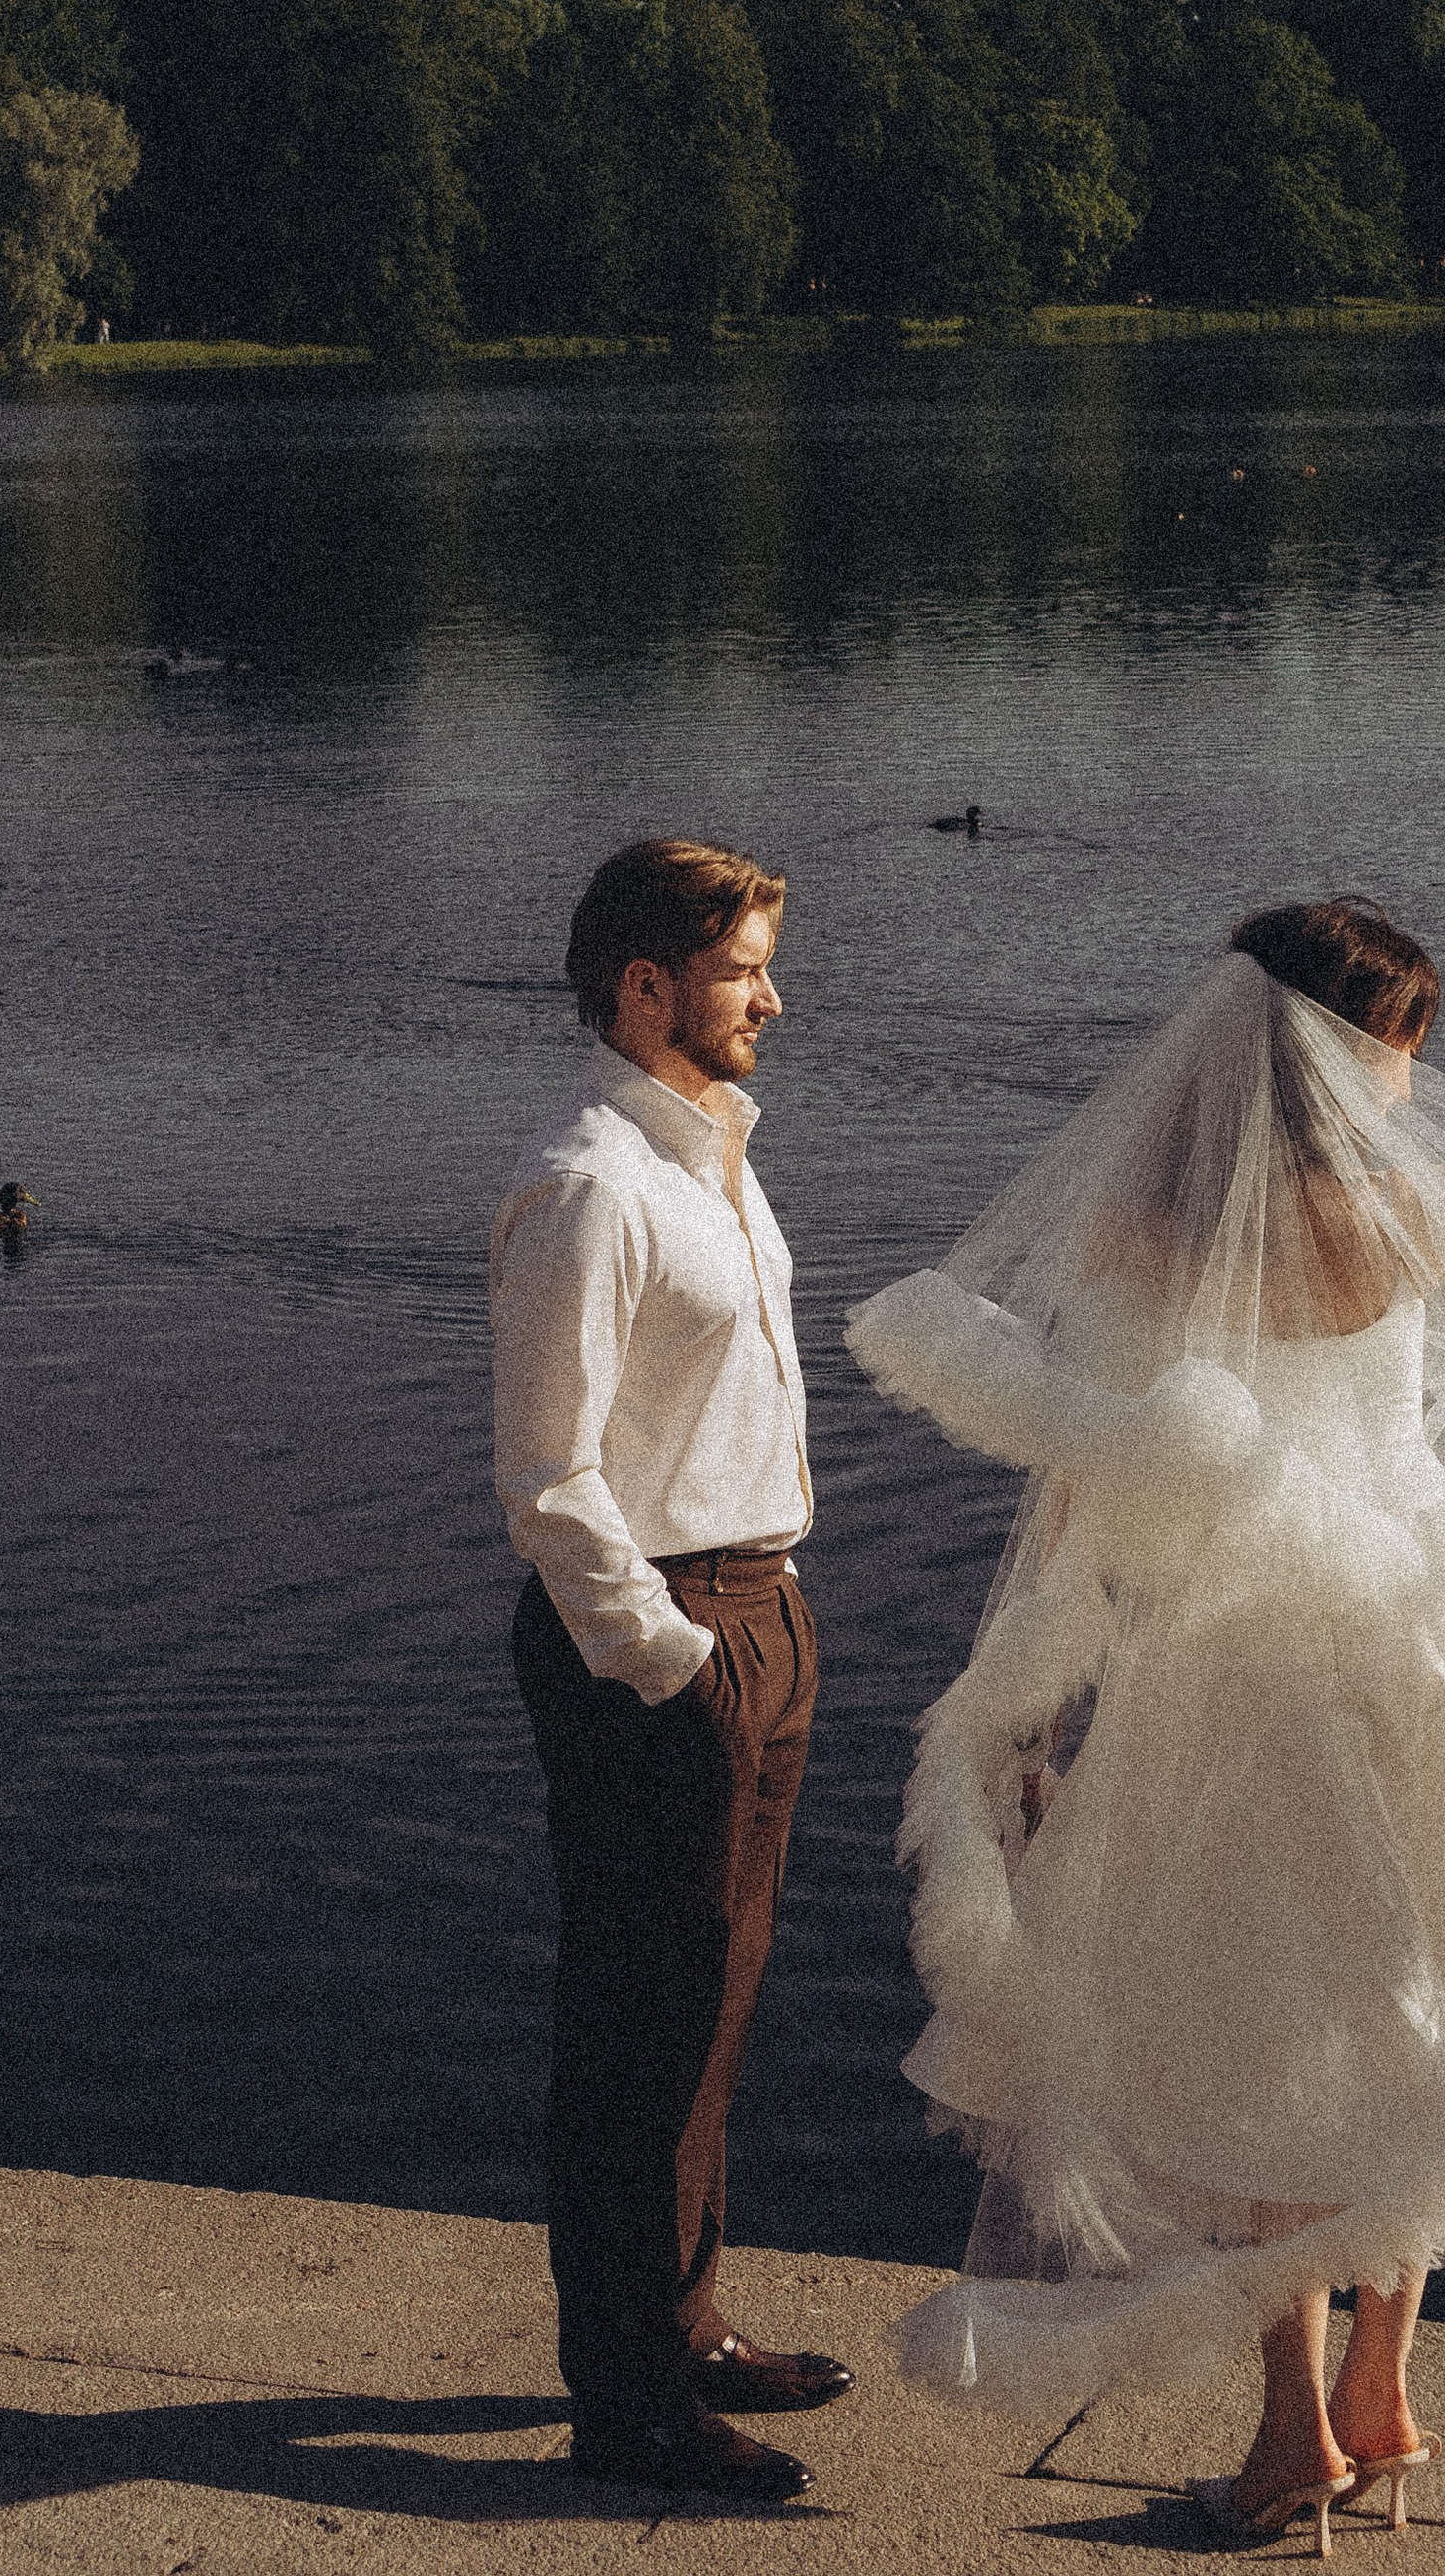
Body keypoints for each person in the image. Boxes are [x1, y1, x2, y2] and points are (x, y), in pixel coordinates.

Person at [846, 896, 1445, 2553]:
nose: (1408, 1085)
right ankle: (1377, 2392)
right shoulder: (1396, 1215)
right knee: (1434, 2015)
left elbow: (1083, 1494)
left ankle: (1301, 2428)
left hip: (1225, 1683)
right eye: (1403, 1050)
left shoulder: (1122, 1237)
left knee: (1262, 2054)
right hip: (1422, 1657)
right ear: (1357, 1052)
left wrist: (1035, 1700)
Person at [491, 836, 849, 2502]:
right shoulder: (592, 1186)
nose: (772, 997)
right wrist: (678, 1664)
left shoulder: (711, 1155)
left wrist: (755, 1638)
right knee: (637, 2022)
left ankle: (684, 2326)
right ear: (647, 988)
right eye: (742, 971)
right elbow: (552, 1484)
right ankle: (624, 2401)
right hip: (659, 1637)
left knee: (716, 2001)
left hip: (757, 1605)